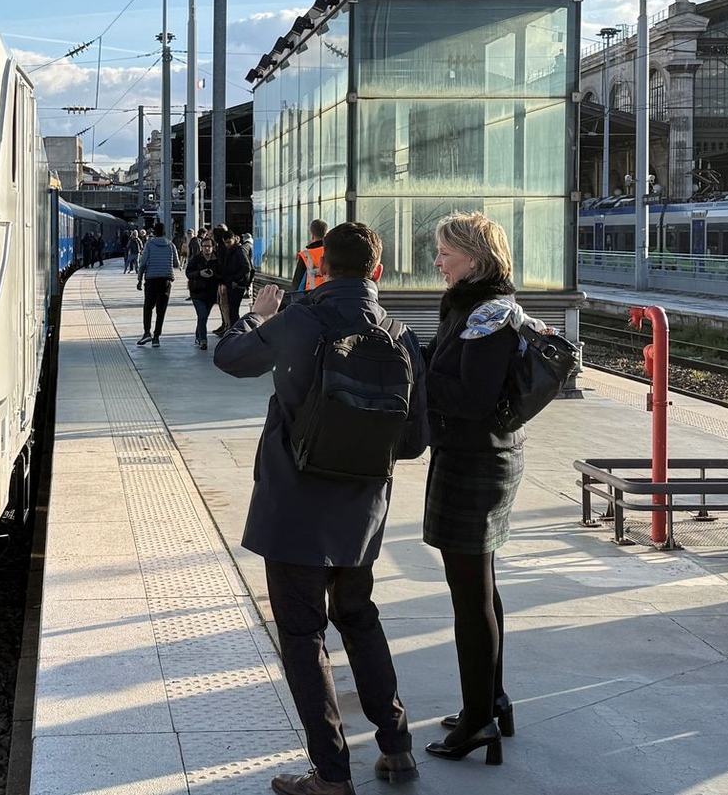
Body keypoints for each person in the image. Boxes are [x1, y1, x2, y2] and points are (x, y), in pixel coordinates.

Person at [215, 223, 428, 795]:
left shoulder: (303, 317)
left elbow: (230, 357)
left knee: (304, 635)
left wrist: (256, 315)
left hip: (294, 506)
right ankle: (397, 747)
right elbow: (412, 441)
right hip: (361, 510)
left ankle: (332, 775)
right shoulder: (400, 334)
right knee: (359, 617)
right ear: (378, 272)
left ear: (322, 264)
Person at [421, 211, 534, 767]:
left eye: (444, 252)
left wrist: (418, 374)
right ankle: (492, 701)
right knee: (480, 588)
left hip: (478, 460)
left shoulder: (490, 314)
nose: (437, 261)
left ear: (473, 256)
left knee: (470, 595)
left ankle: (477, 721)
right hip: (470, 455)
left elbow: (472, 398)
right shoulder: (471, 306)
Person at [138, 223, 179, 347]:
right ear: (165, 232)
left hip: (151, 279)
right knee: (161, 310)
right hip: (166, 280)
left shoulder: (149, 245)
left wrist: (139, 279)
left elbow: (143, 263)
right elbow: (176, 263)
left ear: (154, 233)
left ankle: (146, 333)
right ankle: (156, 337)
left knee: (148, 307)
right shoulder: (171, 245)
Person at [185, 235, 221, 350]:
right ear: (201, 247)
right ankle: (203, 340)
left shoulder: (217, 260)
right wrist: (199, 273)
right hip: (197, 292)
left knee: (203, 317)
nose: (207, 249)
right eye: (205, 246)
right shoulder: (196, 259)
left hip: (211, 293)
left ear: (213, 247)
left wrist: (213, 274)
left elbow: (222, 274)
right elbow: (188, 273)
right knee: (202, 315)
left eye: (209, 246)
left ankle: (198, 335)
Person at [219, 229, 254, 327]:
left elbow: (247, 267)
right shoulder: (229, 250)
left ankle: (236, 330)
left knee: (233, 310)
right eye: (225, 243)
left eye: (229, 242)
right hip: (232, 283)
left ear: (234, 239)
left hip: (238, 284)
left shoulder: (239, 250)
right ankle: (234, 329)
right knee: (231, 309)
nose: (227, 245)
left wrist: (236, 279)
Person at [290, 219, 328, 295]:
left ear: (312, 235)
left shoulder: (305, 255)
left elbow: (297, 282)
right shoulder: (332, 251)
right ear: (326, 233)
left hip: (310, 296)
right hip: (329, 293)